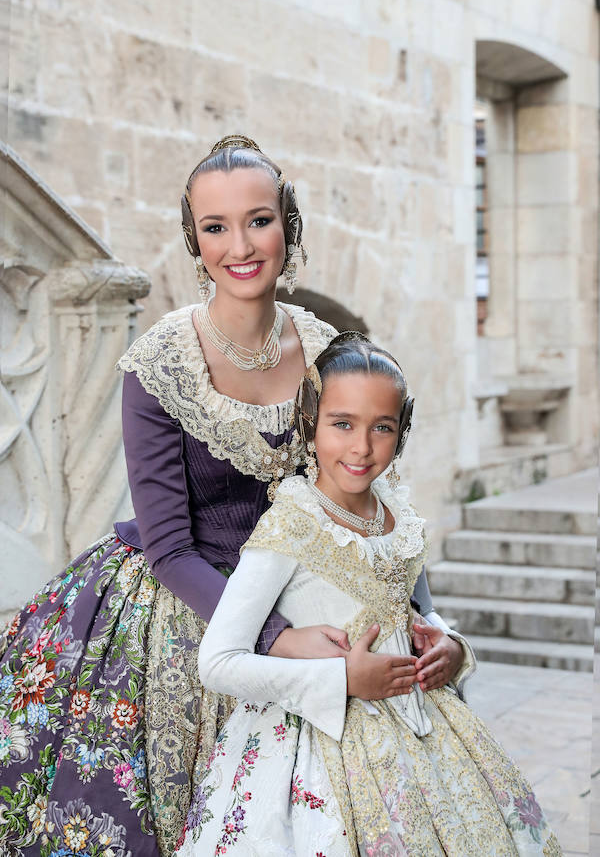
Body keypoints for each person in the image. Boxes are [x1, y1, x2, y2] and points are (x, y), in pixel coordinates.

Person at [0, 137, 457, 857]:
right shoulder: (158, 362)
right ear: (195, 239)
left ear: (288, 226)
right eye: (215, 228)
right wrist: (278, 639)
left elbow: (378, 496)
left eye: (259, 220)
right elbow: (170, 546)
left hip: (320, 592)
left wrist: (430, 619)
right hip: (194, 603)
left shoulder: (325, 346)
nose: (239, 245)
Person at [175, 333, 562, 857]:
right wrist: (342, 679)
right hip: (317, 747)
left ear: (401, 434)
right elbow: (219, 662)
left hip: (426, 731)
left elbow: (421, 611)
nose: (361, 447)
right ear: (310, 424)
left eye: (382, 428)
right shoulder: (289, 525)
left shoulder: (398, 515)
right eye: (342, 425)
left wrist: (450, 644)